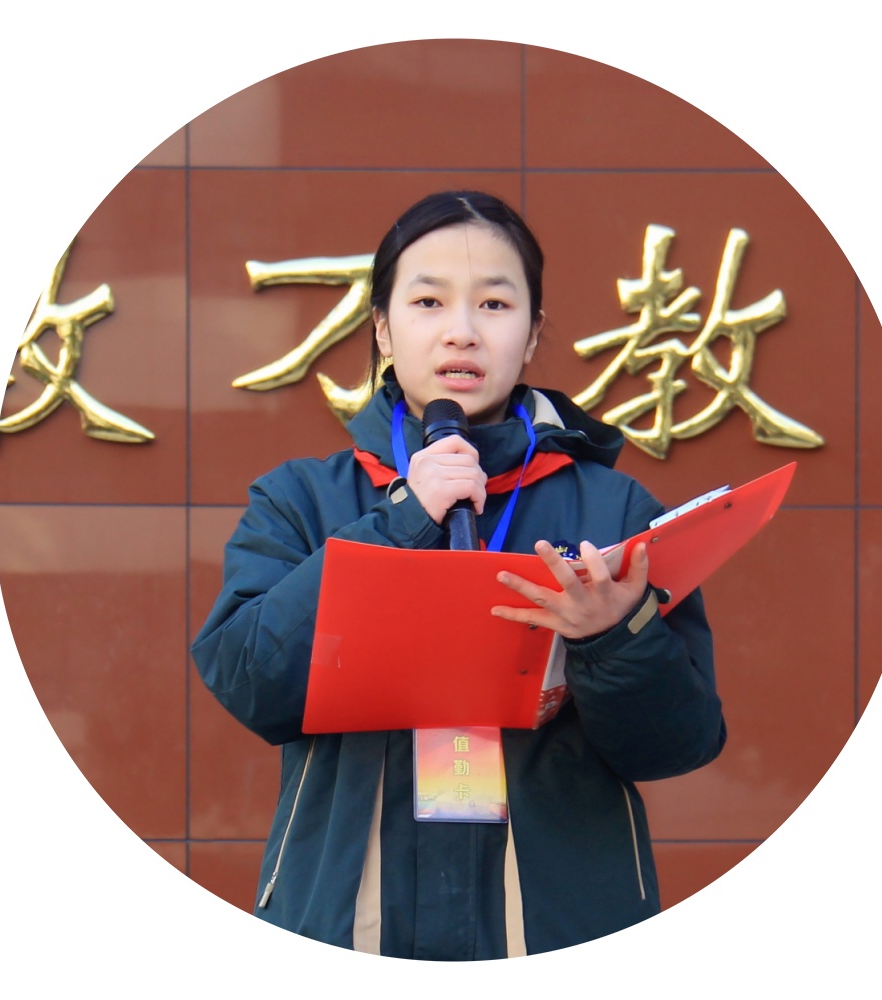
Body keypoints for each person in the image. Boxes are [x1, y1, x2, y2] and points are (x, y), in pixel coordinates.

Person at [191, 190, 726, 960]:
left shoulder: (614, 511)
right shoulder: (301, 499)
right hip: (347, 927)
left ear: (532, 332)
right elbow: (247, 680)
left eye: (495, 304)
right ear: (382, 327)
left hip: (557, 934)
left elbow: (678, 743)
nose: (462, 330)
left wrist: (611, 639)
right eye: (428, 301)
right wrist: (402, 520)